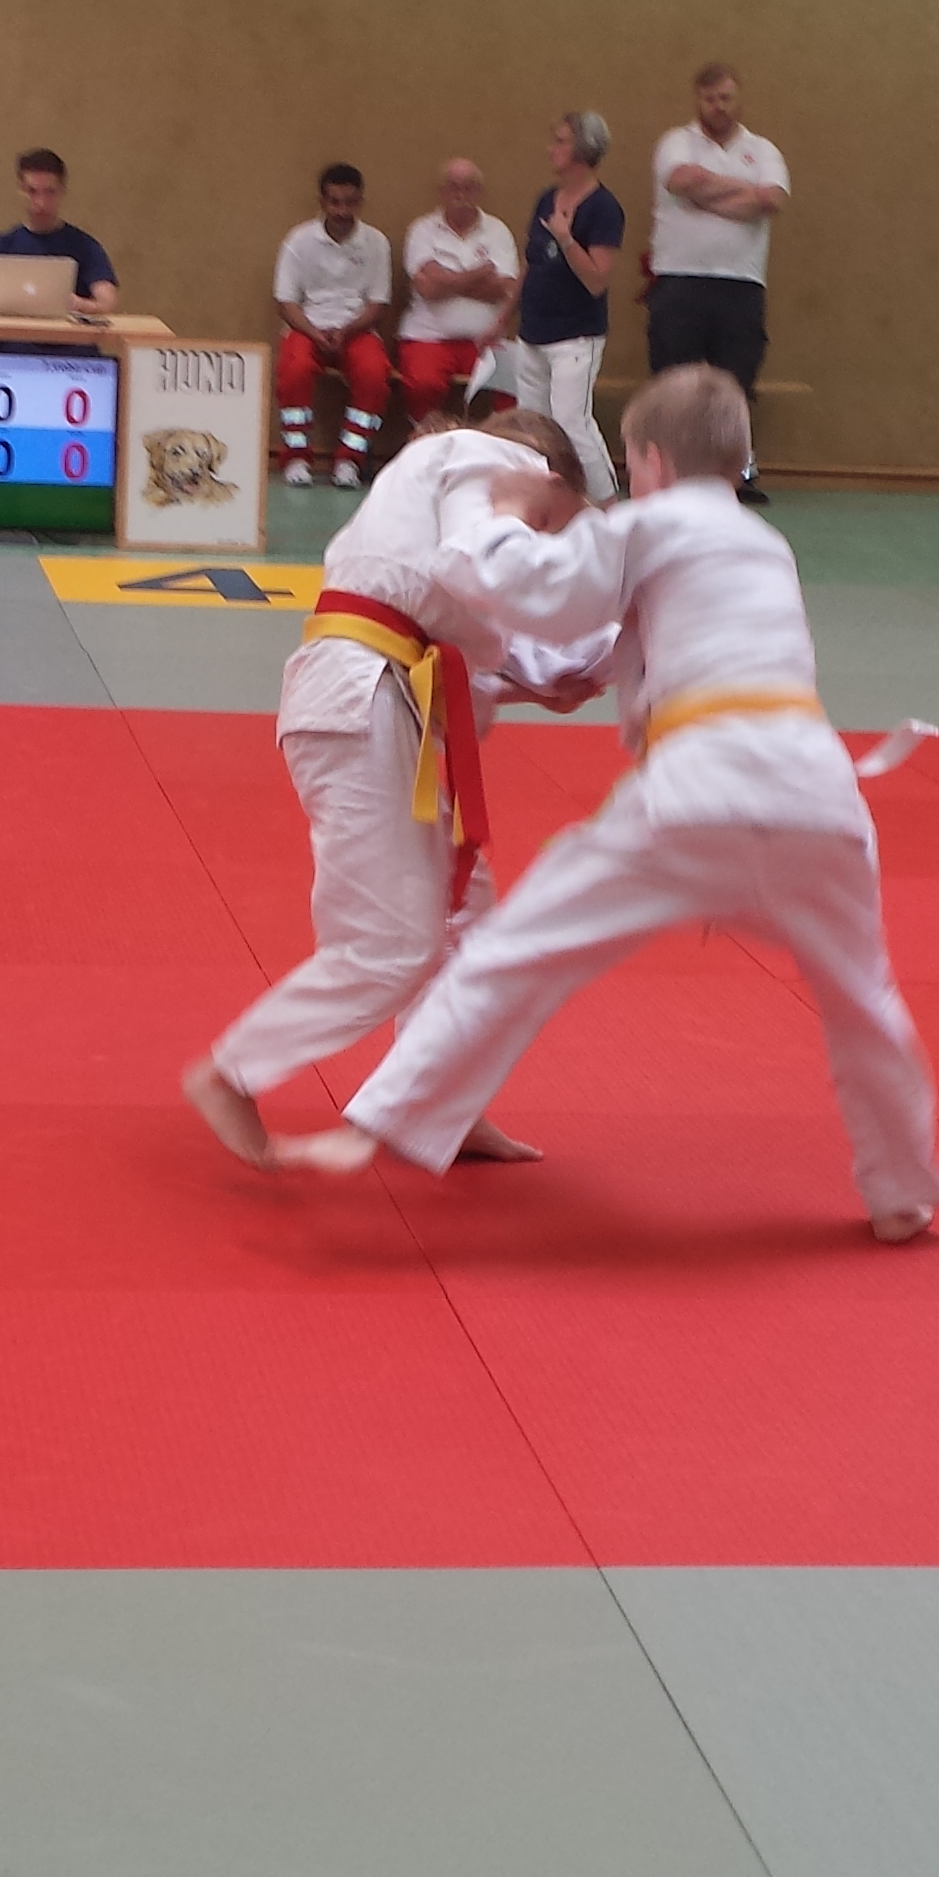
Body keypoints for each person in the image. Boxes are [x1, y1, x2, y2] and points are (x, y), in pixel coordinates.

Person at [264, 368, 939, 1244]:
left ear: (650, 462)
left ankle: (380, 1122)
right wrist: (570, 676)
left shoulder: (647, 524)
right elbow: (618, 638)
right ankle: (902, 1188)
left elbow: (530, 588)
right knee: (865, 999)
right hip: (819, 794)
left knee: (514, 952)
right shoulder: (763, 546)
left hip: (697, 791)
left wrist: (496, 512)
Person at [183, 412, 599, 1169]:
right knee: (392, 946)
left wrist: (550, 680)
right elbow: (484, 568)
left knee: (466, 921)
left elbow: (473, 660)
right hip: (359, 697)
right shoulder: (483, 459)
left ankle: (439, 1107)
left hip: (381, 700)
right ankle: (232, 1071)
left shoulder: (433, 515)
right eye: (551, 520)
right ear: (544, 471)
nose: (541, 537)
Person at [649, 62, 790, 504]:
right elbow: (681, 180)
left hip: (741, 286)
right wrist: (744, 193)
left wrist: (706, 195)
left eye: (725, 98)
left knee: (735, 385)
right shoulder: (676, 142)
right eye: (709, 99)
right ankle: (669, 475)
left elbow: (772, 199)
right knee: (674, 383)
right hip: (679, 282)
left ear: (738, 99)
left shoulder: (762, 150)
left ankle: (736, 477)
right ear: (698, 101)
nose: (718, 106)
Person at [505, 112, 626, 499]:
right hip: (533, 331)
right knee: (532, 425)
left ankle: (608, 503)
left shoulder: (604, 208)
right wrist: (503, 317)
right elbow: (531, 263)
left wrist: (567, 238)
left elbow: (596, 280)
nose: (550, 149)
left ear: (582, 150)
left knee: (573, 423)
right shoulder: (546, 199)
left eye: (560, 141)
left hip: (575, 336)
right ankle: (543, 500)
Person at [271, 164, 397, 488]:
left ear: (360, 203)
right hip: (307, 328)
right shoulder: (299, 240)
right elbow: (286, 301)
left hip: (357, 330)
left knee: (374, 375)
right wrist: (314, 332)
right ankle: (296, 458)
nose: (342, 211)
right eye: (335, 202)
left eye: (350, 203)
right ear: (322, 202)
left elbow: (378, 304)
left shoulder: (376, 243)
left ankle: (349, 461)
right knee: (294, 370)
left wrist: (346, 331)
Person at [397, 157, 521, 426]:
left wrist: (446, 281)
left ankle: (497, 445)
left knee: (513, 384)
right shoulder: (422, 230)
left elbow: (505, 289)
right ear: (442, 191)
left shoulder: (497, 231)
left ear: (479, 192)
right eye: (453, 186)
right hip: (428, 337)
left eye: (469, 187)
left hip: (485, 339)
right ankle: (426, 441)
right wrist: (478, 274)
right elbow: (426, 289)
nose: (461, 194)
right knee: (422, 384)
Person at [0, 149, 119, 310]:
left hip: (65, 326)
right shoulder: (1, 244)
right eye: (32, 192)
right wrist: (7, 307)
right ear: (20, 191)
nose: (41, 202)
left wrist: (80, 304)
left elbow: (108, 301)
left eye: (50, 192)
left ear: (62, 192)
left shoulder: (85, 246)